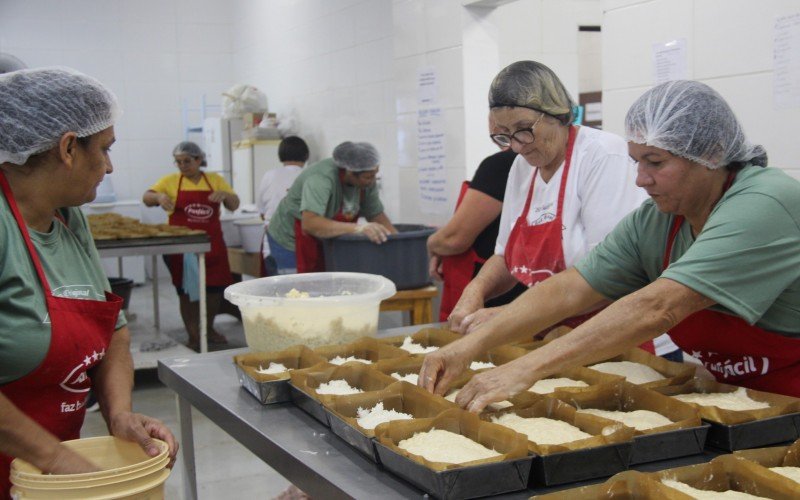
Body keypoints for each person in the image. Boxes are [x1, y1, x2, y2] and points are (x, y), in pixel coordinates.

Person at [419, 80, 800, 412]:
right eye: (636, 162)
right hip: (740, 399)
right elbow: (571, 287)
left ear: (713, 153)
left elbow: (660, 306)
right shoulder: (659, 220)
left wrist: (524, 369)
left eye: (654, 162)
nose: (640, 180)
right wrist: (466, 349)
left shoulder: (765, 204)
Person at [0, 67, 178, 497]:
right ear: (67, 148)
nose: (110, 165)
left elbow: (112, 330)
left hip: (53, 467)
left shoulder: (68, 215)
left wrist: (119, 414)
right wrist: (60, 461)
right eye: (105, 148)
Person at [447, 61, 679, 356]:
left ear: (557, 113)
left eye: (523, 130)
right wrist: (475, 291)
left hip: (623, 337)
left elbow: (612, 276)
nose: (517, 146)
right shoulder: (522, 166)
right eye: (503, 136)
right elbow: (506, 258)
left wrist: (511, 315)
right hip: (557, 335)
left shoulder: (602, 156)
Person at [143, 141, 240, 351]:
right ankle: (193, 334)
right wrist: (158, 197)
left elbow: (235, 204)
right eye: (178, 162)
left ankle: (207, 327)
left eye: (187, 161)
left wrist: (226, 195)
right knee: (186, 290)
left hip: (212, 245)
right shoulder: (170, 181)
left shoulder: (214, 180)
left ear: (198, 159)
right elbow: (146, 197)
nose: (182, 166)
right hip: (182, 247)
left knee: (214, 290)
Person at [427, 145, 526, 321]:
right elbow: (504, 255)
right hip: (498, 287)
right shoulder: (517, 164)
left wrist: (433, 244)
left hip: (503, 297)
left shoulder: (501, 164)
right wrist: (476, 290)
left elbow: (454, 239)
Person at [267, 141, 397, 274]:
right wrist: (359, 228)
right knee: (298, 289)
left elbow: (376, 214)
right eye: (368, 177)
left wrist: (396, 242)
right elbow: (310, 223)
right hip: (290, 239)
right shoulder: (321, 178)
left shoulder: (367, 181)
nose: (372, 181)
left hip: (324, 238)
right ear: (350, 172)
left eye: (375, 175)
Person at [256, 136, 309, 276]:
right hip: (301, 244)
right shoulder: (309, 176)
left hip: (272, 243)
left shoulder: (269, 175)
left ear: (281, 154)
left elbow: (262, 213)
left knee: (278, 293)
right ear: (306, 155)